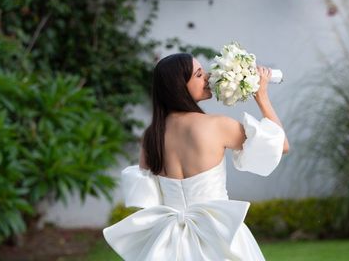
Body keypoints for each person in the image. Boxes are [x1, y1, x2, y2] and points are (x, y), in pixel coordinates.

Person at [103, 53, 290, 260]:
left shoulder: (151, 136)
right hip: (218, 235)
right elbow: (281, 145)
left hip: (168, 241)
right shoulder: (216, 126)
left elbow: (148, 195)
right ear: (179, 86)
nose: (208, 78)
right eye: (199, 75)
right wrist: (262, 96)